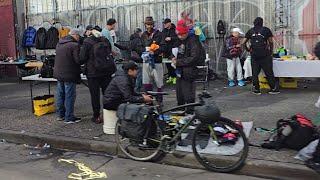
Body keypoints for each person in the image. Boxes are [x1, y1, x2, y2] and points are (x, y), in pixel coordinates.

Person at [80, 28, 115, 124]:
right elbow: (109, 52)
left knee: (95, 95)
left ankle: (96, 116)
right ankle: (109, 114)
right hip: (107, 71)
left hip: (93, 73)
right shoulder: (105, 40)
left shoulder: (87, 41)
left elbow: (82, 58)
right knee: (107, 93)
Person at [172, 19, 206, 114]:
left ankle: (190, 111)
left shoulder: (193, 40)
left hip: (189, 71)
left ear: (186, 32)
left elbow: (194, 57)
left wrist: (178, 62)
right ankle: (181, 109)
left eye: (182, 34)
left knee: (188, 94)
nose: (180, 36)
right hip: (180, 71)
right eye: (178, 34)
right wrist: (173, 58)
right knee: (180, 93)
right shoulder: (179, 40)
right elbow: (175, 50)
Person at [243, 17, 279, 95]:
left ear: (254, 23)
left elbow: (243, 43)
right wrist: (271, 52)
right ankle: (273, 89)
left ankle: (257, 89)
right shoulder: (266, 30)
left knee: (255, 73)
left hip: (254, 55)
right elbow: (271, 42)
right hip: (265, 55)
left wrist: (248, 50)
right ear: (262, 22)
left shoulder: (250, 31)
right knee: (269, 72)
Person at [53, 29, 82, 124]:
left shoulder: (59, 43)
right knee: (70, 95)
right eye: (79, 36)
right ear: (76, 35)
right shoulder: (74, 45)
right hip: (69, 73)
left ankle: (60, 115)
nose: (79, 38)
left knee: (60, 94)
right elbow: (78, 60)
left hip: (58, 73)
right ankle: (69, 117)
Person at [141, 16, 164, 102]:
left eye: (150, 24)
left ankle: (159, 101)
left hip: (157, 61)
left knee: (159, 82)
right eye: (147, 24)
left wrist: (155, 51)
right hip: (146, 61)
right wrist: (144, 50)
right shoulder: (143, 35)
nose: (149, 26)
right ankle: (149, 101)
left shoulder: (158, 34)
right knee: (146, 82)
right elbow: (139, 47)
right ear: (145, 25)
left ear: (153, 24)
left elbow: (163, 47)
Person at [161, 18, 178, 85]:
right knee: (167, 64)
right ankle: (170, 76)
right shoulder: (164, 30)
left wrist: (171, 38)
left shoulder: (175, 29)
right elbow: (162, 38)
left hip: (173, 49)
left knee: (173, 63)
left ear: (169, 23)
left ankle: (175, 77)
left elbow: (178, 38)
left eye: (165, 23)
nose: (164, 25)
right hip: (166, 49)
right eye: (164, 23)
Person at [129, 28, 145, 92]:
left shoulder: (131, 39)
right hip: (139, 60)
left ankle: (133, 89)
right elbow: (140, 50)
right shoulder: (138, 40)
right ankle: (137, 90)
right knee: (139, 75)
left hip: (133, 59)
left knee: (134, 75)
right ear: (139, 33)